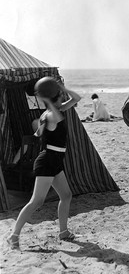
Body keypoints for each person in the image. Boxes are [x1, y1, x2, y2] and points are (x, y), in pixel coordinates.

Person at [7, 81, 82, 249]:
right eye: (61, 95)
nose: (64, 97)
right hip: (47, 161)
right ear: (55, 98)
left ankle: (63, 232)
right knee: (37, 201)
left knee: (66, 195)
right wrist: (48, 96)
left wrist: (61, 89)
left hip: (55, 161)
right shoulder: (51, 115)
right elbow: (55, 117)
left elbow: (76, 98)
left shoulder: (51, 112)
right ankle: (14, 236)